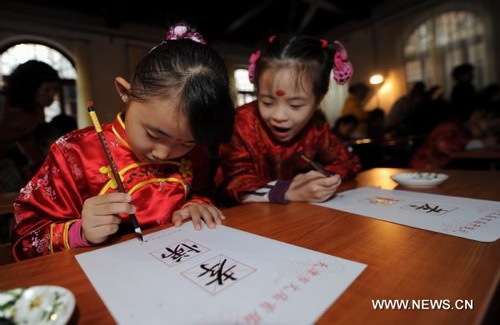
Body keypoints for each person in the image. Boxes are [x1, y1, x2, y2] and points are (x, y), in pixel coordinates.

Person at [12, 24, 235, 260]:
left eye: (186, 144)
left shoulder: (194, 148)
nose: (163, 153)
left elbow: (200, 191)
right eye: (153, 135)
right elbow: (25, 239)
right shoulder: (74, 153)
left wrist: (196, 205)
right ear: (125, 93)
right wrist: (80, 232)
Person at [218, 35, 361, 205]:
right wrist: (288, 190)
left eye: (295, 105)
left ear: (319, 100)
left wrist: (324, 178)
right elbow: (234, 183)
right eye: (267, 102)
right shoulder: (241, 124)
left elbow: (347, 161)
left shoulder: (316, 128)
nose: (279, 116)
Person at [0, 60, 61, 192]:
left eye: (54, 89)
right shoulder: (3, 104)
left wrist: (43, 170)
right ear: (29, 88)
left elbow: (27, 141)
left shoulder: (36, 111)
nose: (52, 95)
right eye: (47, 89)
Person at [409, 105, 500, 169]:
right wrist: (481, 143)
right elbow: (444, 146)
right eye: (490, 124)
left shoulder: (463, 131)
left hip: (440, 175)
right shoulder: (451, 127)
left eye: (495, 128)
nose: (489, 130)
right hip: (424, 172)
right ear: (475, 116)